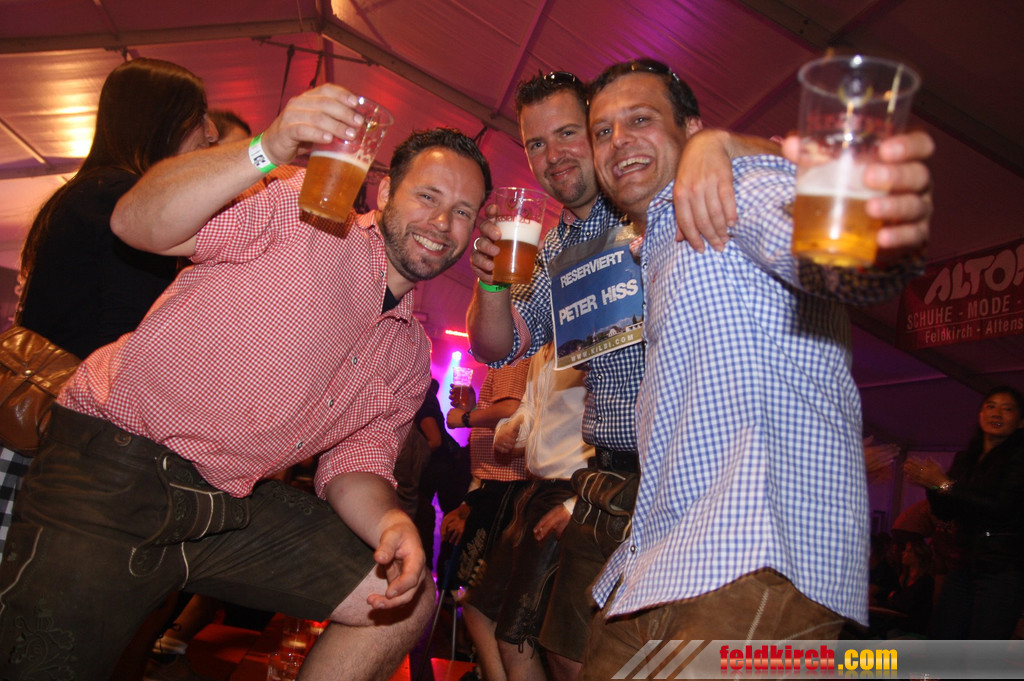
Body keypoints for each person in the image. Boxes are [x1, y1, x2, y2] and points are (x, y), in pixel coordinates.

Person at [0, 77, 491, 678]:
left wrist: (392, 520)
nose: (441, 221)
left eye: (462, 211)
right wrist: (268, 146)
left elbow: (355, 465)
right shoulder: (298, 209)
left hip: (227, 506)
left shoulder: (410, 354)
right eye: (428, 196)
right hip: (113, 469)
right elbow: (135, 223)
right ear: (385, 190)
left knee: (403, 601)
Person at [576, 58, 933, 678]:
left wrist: (867, 221)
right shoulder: (653, 245)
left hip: (757, 553)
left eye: (640, 120)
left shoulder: (734, 180)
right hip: (659, 564)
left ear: (692, 128)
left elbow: (844, 259)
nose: (618, 141)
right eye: (602, 131)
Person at [465, 70, 777, 678]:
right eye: (535, 144)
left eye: (569, 133)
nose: (554, 155)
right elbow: (498, 348)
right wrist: (492, 283)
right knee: (566, 654)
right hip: (603, 476)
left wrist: (714, 145)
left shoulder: (652, 201)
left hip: (686, 475)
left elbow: (799, 181)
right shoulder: (555, 247)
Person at [469, 342, 593, 681]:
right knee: (481, 612)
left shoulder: (590, 336)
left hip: (572, 490)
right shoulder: (542, 350)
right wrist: (511, 430)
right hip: (535, 492)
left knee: (519, 640)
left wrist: (579, 502)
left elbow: (619, 429)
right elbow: (529, 409)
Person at [904, 385, 1024, 639]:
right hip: (963, 564)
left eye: (1007, 409)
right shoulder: (966, 459)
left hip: (1001, 568)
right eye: (990, 406)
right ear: (980, 414)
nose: (997, 413)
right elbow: (946, 512)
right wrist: (931, 485)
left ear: (1021, 421)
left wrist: (945, 484)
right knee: (943, 640)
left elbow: (1001, 507)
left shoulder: (1018, 457)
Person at [440, 360, 530, 681]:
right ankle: (481, 670)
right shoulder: (505, 361)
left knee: (480, 604)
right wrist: (475, 408)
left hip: (505, 489)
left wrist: (466, 417)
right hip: (494, 488)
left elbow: (512, 409)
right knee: (481, 603)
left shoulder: (513, 357)